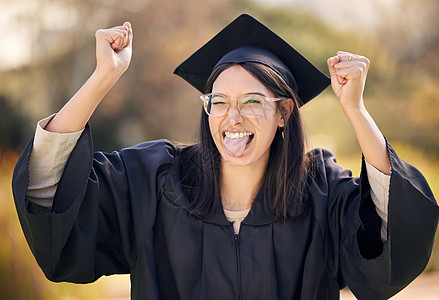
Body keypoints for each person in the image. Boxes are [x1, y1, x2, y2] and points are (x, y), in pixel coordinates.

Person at [12, 14, 438, 300]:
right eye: (219, 101)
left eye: (253, 101)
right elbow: (50, 188)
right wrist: (102, 78)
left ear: (284, 112)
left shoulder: (320, 193)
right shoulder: (156, 181)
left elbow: (392, 230)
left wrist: (356, 111)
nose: (232, 117)